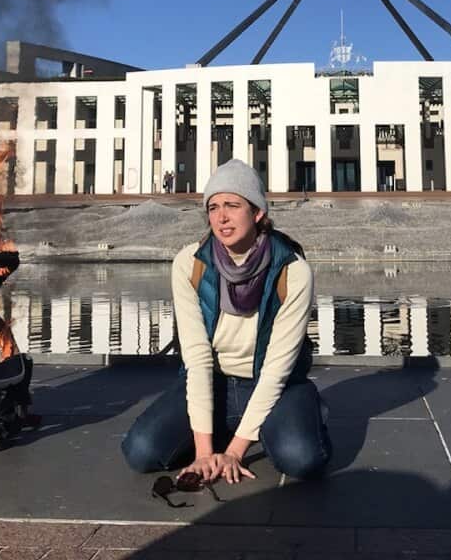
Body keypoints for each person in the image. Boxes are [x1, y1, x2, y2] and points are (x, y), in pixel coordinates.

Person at [122, 159, 331, 483]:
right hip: (214, 381)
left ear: (257, 212)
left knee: (301, 458)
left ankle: (296, 415)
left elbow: (277, 370)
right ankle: (224, 427)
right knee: (141, 451)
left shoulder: (292, 271)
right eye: (213, 207)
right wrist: (204, 454)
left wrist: (234, 452)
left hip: (274, 384)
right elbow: (197, 359)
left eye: (233, 205)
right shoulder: (190, 264)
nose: (221, 217)